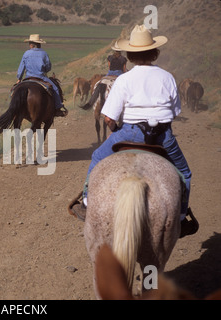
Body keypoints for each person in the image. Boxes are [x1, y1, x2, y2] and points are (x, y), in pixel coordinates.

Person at [70, 25, 198, 238]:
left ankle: (86, 201)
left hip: (129, 133)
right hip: (163, 136)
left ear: (130, 55)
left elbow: (109, 117)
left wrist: (115, 129)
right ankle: (181, 216)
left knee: (96, 157)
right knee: (184, 173)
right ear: (155, 52)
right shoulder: (167, 77)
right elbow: (175, 111)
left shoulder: (123, 80)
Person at [16, 34, 67, 117]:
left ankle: (13, 110)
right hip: (41, 77)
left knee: (13, 91)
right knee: (55, 88)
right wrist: (44, 70)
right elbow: (48, 67)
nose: (29, 45)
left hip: (28, 78)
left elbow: (21, 67)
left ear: (32, 45)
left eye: (29, 43)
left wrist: (19, 78)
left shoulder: (26, 53)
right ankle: (58, 108)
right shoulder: (44, 53)